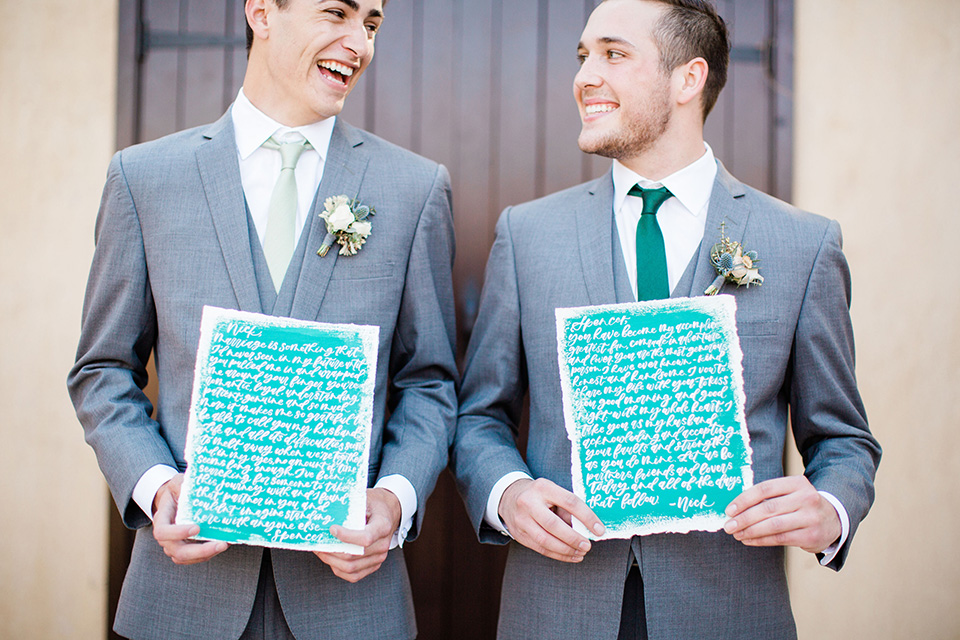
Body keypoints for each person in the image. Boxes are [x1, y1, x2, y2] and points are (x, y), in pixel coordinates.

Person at [450, 0, 880, 638]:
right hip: (557, 610)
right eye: (582, 56)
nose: (585, 76)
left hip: (729, 610)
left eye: (614, 54)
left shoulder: (802, 246)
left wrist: (829, 508)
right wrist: (507, 491)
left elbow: (843, 439)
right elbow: (479, 415)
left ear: (689, 79)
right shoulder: (528, 234)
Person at [67, 0, 457, 638]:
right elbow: (102, 369)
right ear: (260, 12)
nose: (358, 41)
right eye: (337, 12)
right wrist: (157, 485)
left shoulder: (413, 189)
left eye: (373, 23)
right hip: (185, 598)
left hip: (351, 604)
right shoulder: (144, 179)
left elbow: (431, 382)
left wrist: (392, 498)